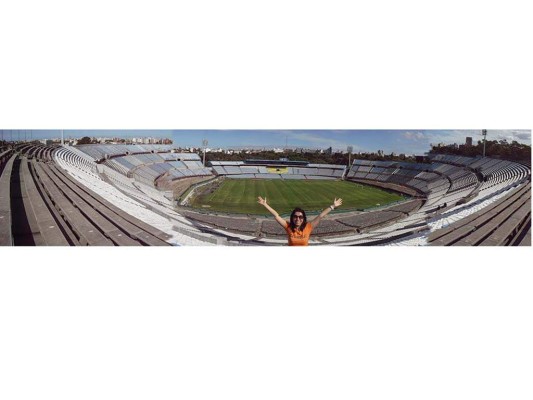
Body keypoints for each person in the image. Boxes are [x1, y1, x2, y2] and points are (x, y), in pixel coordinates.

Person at [257, 197, 343, 246]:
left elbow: (320, 216)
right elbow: (276, 215)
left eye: (300, 217)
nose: (298, 219)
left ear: (303, 218)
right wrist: (265, 204)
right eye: (295, 216)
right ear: (292, 217)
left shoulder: (309, 227)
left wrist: (332, 206)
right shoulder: (288, 226)